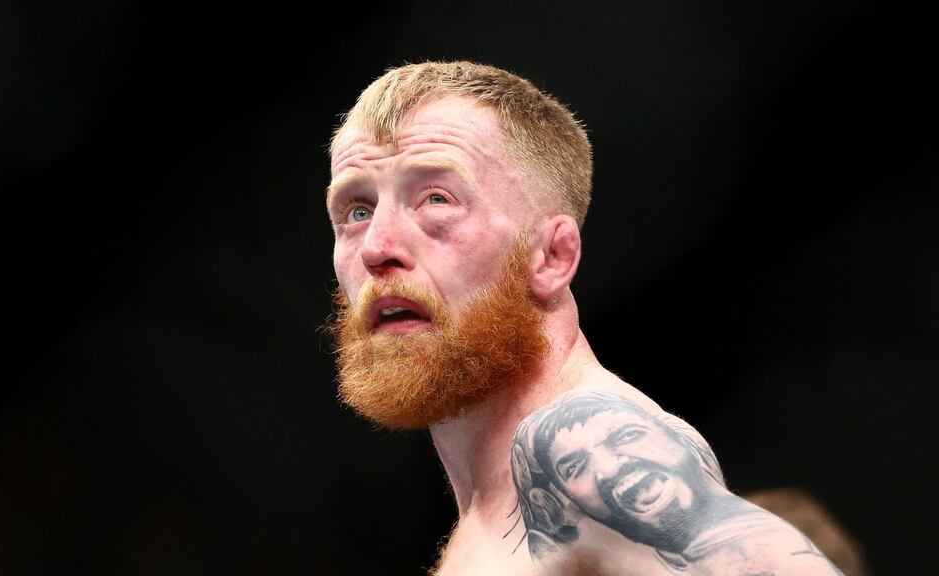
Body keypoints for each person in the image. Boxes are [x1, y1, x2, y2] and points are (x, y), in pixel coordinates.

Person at [324, 60, 843, 575]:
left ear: (552, 256)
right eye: (357, 210)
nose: (376, 248)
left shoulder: (583, 446)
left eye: (436, 199)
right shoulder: (499, 500)